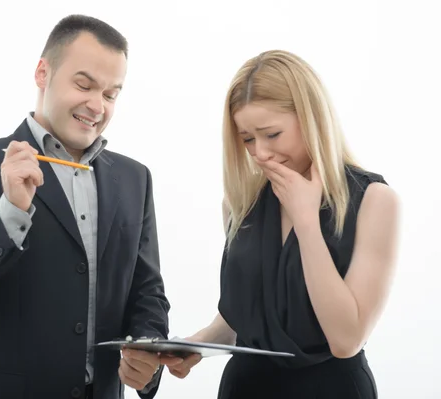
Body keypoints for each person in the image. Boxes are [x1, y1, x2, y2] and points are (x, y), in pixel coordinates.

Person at [0, 14, 180, 399]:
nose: (97, 106)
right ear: (43, 73)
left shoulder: (135, 178)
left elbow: (147, 291)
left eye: (110, 94)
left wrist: (147, 352)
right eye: (84, 85)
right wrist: (10, 212)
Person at [162, 50, 400, 398]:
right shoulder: (241, 203)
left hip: (330, 389)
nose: (260, 153)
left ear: (312, 118)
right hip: (244, 388)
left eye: (271, 134)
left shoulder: (375, 201)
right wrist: (195, 346)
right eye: (247, 139)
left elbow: (346, 340)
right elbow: (242, 318)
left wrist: (306, 222)